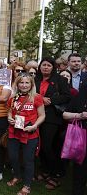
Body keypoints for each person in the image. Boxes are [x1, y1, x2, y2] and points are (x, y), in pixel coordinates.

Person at [34, 57, 71, 189]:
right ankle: (46, 170)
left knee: (47, 146)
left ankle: (57, 174)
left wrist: (51, 100)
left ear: (53, 67)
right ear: (40, 67)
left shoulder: (60, 80)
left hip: (52, 118)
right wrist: (40, 99)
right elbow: (29, 93)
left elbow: (67, 96)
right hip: (37, 117)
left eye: (49, 65)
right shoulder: (35, 80)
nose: (45, 67)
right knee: (41, 146)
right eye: (43, 65)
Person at [6, 73, 45, 195]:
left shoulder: (37, 97)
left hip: (30, 133)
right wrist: (9, 118)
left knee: (28, 160)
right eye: (21, 82)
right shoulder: (13, 98)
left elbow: (42, 115)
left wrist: (34, 126)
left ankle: (27, 185)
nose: (24, 85)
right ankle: (17, 176)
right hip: (14, 132)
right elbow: (9, 112)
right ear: (17, 84)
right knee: (12, 156)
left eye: (27, 82)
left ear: (31, 84)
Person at [62, 85, 87, 195]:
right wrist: (80, 115)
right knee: (80, 171)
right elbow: (65, 114)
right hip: (82, 140)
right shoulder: (81, 95)